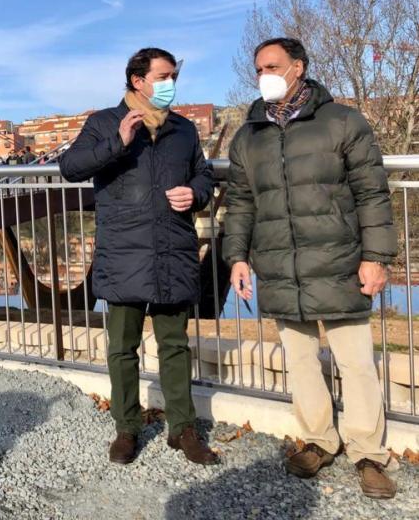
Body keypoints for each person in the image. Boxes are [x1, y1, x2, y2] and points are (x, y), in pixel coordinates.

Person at [224, 37, 398, 499]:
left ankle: (368, 453)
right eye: (258, 67)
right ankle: (320, 440)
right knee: (301, 361)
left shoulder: (342, 122)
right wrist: (237, 257)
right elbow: (240, 204)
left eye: (273, 65)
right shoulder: (249, 136)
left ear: (298, 67)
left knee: (356, 362)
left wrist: (377, 257)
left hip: (339, 261)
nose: (264, 74)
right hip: (280, 264)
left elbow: (372, 195)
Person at [59, 47, 217, 466]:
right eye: (163, 77)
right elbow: (70, 167)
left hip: (172, 250)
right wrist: (117, 143)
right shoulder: (104, 123)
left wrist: (197, 193)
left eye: (173, 77)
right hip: (124, 252)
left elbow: (203, 174)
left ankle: (183, 428)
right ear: (137, 81)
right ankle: (126, 428)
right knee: (122, 347)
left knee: (175, 345)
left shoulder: (183, 129)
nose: (171, 85)